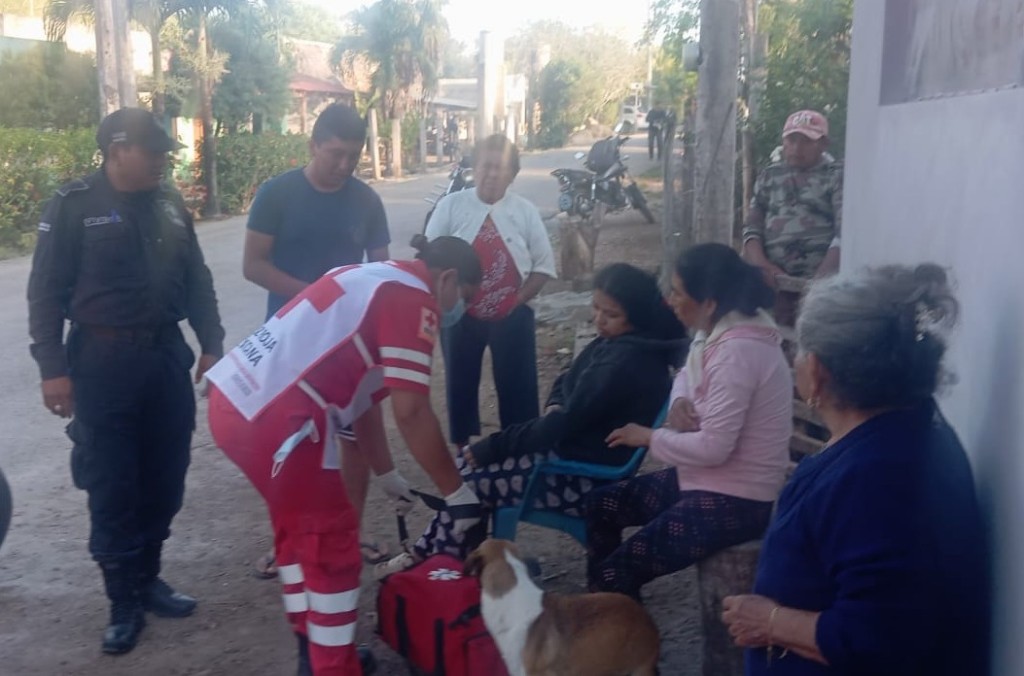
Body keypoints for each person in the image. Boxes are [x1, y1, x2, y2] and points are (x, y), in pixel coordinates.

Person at [206, 236, 485, 676]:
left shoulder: (367, 276)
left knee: (297, 535)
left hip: (237, 403)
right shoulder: (416, 299)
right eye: (462, 297)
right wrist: (458, 493)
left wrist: (388, 474)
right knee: (333, 550)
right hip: (284, 423)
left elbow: (363, 401)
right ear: (447, 278)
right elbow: (411, 411)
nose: (458, 309)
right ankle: (334, 666)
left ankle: (309, 649)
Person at [722, 264, 991, 676]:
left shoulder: (878, 478)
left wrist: (770, 622)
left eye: (800, 350)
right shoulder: (907, 428)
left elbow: (880, 638)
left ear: (816, 372)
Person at [26, 107, 225, 655]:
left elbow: (197, 277)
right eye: (154, 152)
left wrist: (212, 342)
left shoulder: (169, 203)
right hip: (101, 364)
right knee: (112, 483)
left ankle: (148, 577)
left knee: (167, 476)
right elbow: (44, 292)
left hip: (164, 359)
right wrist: (53, 370)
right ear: (117, 152)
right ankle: (122, 600)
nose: (164, 160)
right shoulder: (74, 206)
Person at [377, 263, 687, 575]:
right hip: (570, 452)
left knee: (468, 481)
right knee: (465, 474)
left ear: (635, 315)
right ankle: (445, 560)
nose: (599, 319)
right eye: (596, 308)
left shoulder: (625, 360)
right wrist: (555, 403)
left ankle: (433, 563)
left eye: (611, 314)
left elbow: (562, 423)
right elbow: (567, 381)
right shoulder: (619, 342)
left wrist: (494, 447)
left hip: (581, 476)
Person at [584, 243, 792, 600]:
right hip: (704, 481)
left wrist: (649, 437)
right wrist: (680, 398)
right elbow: (687, 369)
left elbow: (713, 448)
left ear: (708, 302)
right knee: (599, 506)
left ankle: (615, 635)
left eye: (678, 293)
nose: (670, 300)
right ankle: (614, 623)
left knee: (611, 576)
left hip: (736, 500)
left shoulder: (739, 351)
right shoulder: (716, 329)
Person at [242, 103, 392, 577]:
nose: (345, 165)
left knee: (355, 440)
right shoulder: (276, 195)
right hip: (289, 339)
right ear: (313, 145)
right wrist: (316, 295)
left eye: (354, 155)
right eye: (335, 154)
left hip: (350, 345)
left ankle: (348, 532)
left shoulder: (366, 200)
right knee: (290, 445)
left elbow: (381, 269)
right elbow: (254, 265)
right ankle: (287, 540)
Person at [424, 133, 556, 450]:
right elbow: (427, 258)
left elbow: (543, 267)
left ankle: (519, 450)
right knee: (460, 380)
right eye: (486, 166)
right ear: (475, 167)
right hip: (460, 315)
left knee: (518, 384)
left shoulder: (525, 211)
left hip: (513, 313)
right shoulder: (451, 205)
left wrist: (517, 300)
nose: (492, 174)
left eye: (501, 168)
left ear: (513, 174)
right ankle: (462, 449)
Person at [741, 110, 843, 283]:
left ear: (823, 144)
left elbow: (844, 235)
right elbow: (751, 228)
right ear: (783, 142)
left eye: (806, 141)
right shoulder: (770, 176)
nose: (796, 148)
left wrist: (818, 284)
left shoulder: (836, 175)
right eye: (792, 140)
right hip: (771, 281)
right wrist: (763, 266)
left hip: (820, 283)